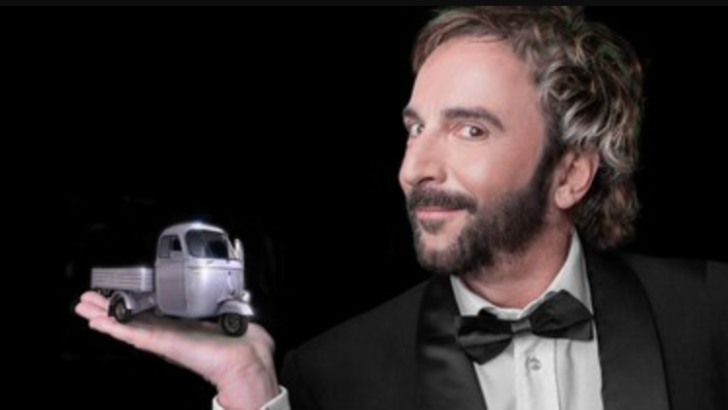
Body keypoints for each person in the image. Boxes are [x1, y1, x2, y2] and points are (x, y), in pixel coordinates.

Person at [75, 6, 728, 410]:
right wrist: (250, 394)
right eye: (416, 129)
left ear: (569, 174)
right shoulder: (329, 376)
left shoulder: (712, 315)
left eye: (470, 129)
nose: (415, 169)